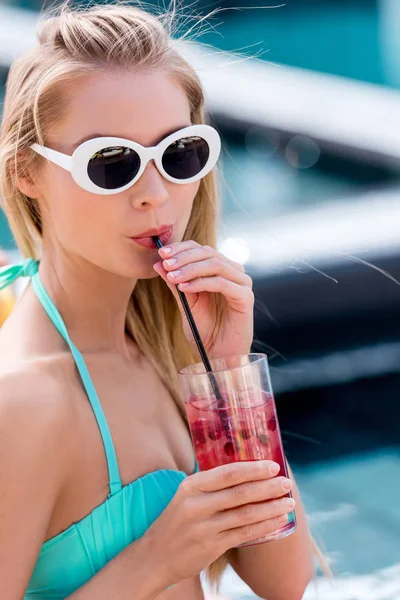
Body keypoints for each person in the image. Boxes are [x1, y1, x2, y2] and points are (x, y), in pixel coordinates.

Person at [0, 3, 317, 599]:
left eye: (179, 154)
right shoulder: (24, 400)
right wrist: (157, 558)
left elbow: (283, 581)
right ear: (26, 173)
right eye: (111, 164)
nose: (154, 195)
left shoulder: (158, 349)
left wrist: (228, 374)